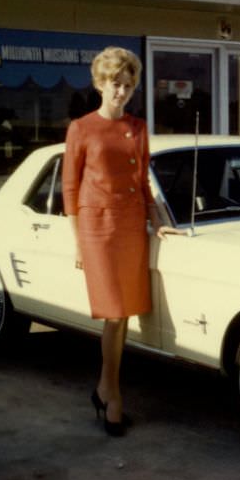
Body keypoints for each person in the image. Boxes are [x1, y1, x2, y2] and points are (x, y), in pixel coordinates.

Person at [61, 46, 180, 436]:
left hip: (131, 228)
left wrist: (156, 219)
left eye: (128, 85)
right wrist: (78, 243)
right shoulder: (81, 128)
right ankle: (110, 393)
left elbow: (143, 182)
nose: (121, 92)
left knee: (125, 313)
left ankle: (106, 388)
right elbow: (70, 188)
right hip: (97, 230)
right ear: (100, 84)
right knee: (113, 313)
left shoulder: (139, 128)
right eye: (115, 84)